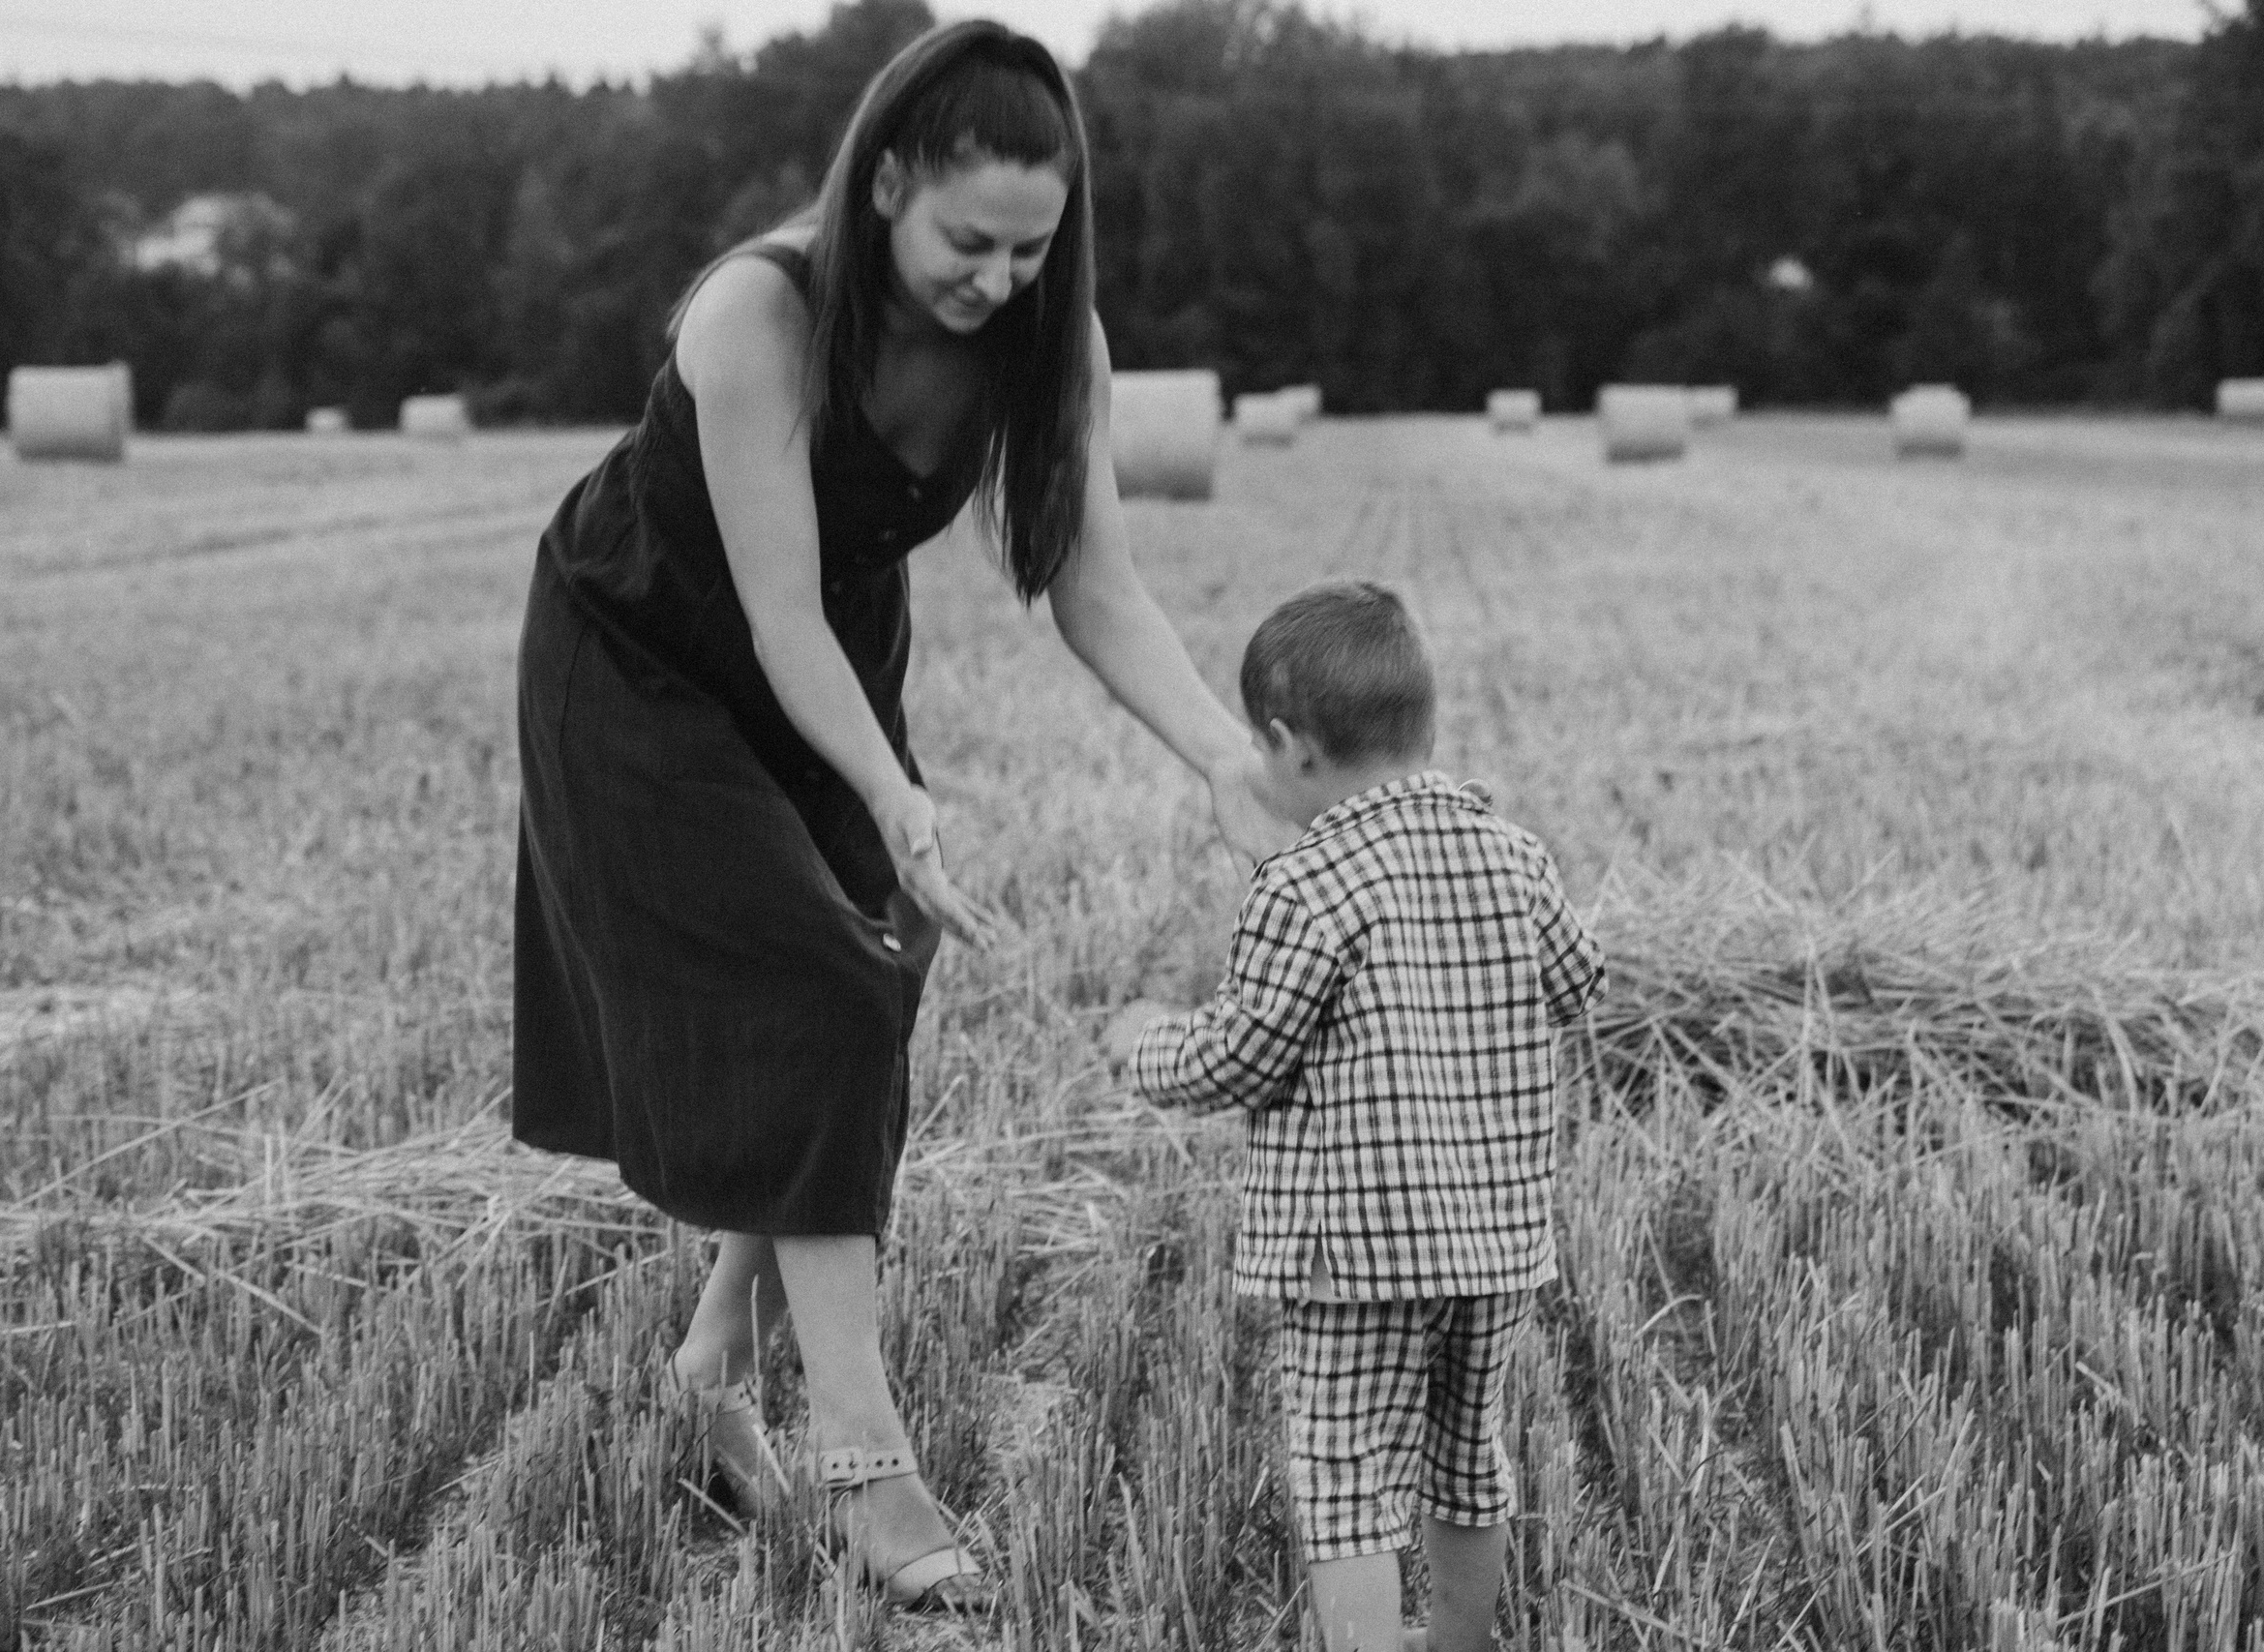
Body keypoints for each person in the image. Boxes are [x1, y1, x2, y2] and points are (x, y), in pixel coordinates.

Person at [511, 18, 1285, 1616]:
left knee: (862, 989)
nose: (999, 280)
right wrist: (891, 788)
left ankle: (714, 1361)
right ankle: (868, 1467)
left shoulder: (1052, 345)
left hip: (830, 663)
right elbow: (773, 610)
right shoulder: (758, 313)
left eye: (1032, 248)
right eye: (966, 241)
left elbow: (1096, 587)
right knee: (822, 983)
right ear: (882, 188)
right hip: (649, 660)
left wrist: (1225, 757)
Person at [1104, 582, 1606, 1652]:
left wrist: (1142, 1042)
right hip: (1495, 1241)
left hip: (1357, 1256)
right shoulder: (1513, 856)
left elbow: (1238, 1058)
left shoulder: (1304, 886)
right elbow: (1578, 983)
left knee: (1345, 1476)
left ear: (1288, 747)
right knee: (1467, 1452)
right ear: (1425, 724)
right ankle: (1460, 1643)